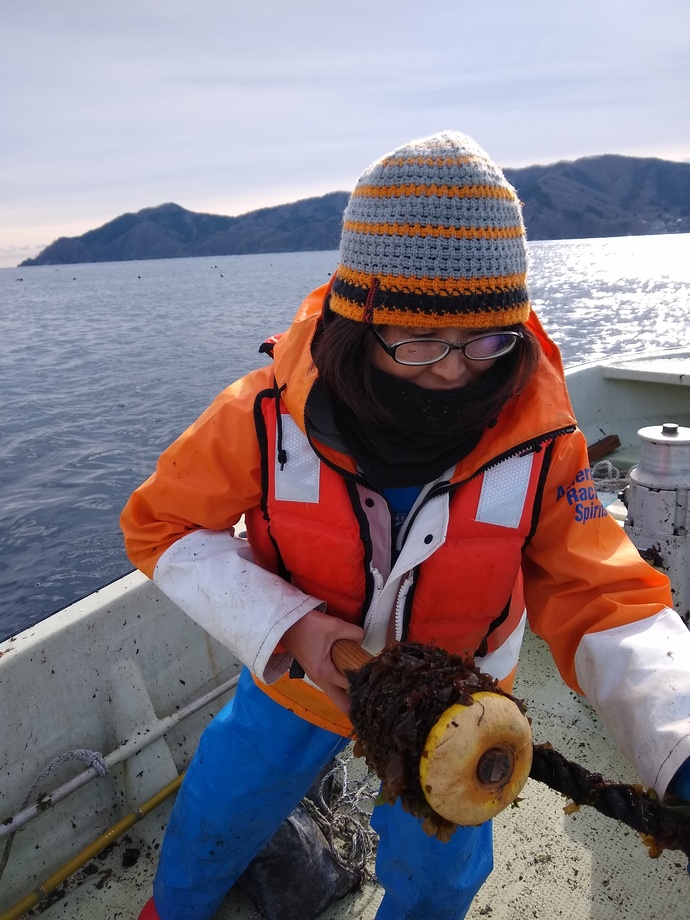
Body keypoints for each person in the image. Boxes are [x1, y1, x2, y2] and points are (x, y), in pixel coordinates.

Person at [121, 130, 690, 920]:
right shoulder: (258, 417)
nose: (455, 369)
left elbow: (604, 594)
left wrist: (681, 743)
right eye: (418, 340)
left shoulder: (543, 441)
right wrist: (292, 629)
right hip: (298, 682)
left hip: (459, 708)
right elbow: (162, 527)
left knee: (439, 880)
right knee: (218, 810)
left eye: (487, 341)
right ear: (360, 324)